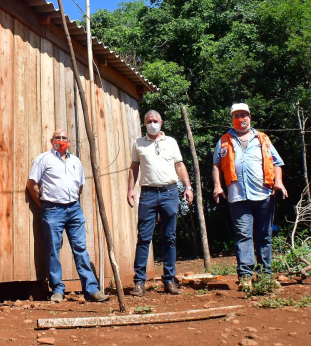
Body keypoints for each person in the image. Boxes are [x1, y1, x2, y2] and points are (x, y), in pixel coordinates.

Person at [26, 129, 110, 303]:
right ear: (52, 141)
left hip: (74, 209)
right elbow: (31, 184)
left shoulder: (76, 161)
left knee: (81, 249)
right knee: (53, 251)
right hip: (52, 210)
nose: (61, 140)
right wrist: (45, 206)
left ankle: (91, 290)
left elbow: (79, 186)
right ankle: (57, 289)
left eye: (64, 138)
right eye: (58, 137)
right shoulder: (44, 159)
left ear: (69, 142)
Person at [212, 103, 287, 291]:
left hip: (263, 194)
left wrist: (279, 182)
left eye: (243, 115)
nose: (240, 118)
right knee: (243, 235)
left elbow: (277, 162)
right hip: (237, 196)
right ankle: (245, 276)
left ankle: (264, 275)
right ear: (232, 119)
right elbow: (217, 165)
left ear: (250, 117)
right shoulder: (224, 140)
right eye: (236, 115)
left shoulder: (262, 138)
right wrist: (217, 185)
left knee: (264, 236)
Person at [127, 110, 194, 296]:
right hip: (148, 194)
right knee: (143, 238)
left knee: (169, 237)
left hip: (169, 193)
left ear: (161, 122)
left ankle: (169, 280)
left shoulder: (171, 142)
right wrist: (131, 189)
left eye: (155, 121)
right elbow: (134, 167)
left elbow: (179, 165)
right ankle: (139, 282)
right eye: (149, 121)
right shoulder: (138, 143)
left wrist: (188, 187)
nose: (152, 123)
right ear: (144, 123)